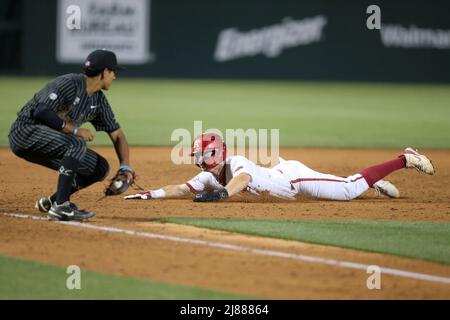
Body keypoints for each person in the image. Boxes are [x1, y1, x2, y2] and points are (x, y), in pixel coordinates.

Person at [124, 132, 435, 202]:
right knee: (346, 187)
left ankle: (405, 158)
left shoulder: (236, 163)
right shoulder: (208, 176)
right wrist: (147, 196)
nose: (198, 162)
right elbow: (180, 188)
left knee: (349, 190)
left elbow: (244, 178)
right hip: (287, 185)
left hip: (292, 176)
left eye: (202, 156)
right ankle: (373, 183)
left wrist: (223, 195)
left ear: (217, 154)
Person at [8, 49, 134, 221]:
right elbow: (41, 111)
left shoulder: (98, 100)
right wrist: (75, 130)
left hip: (50, 142)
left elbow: (117, 134)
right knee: (76, 143)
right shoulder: (70, 83)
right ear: (105, 72)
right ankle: (62, 206)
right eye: (113, 72)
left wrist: (125, 167)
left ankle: (53, 202)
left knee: (99, 168)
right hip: (25, 132)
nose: (114, 77)